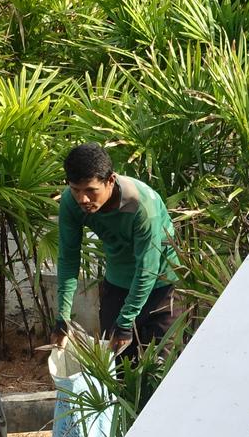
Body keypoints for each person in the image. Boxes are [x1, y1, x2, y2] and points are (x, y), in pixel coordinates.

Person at [52, 143, 178, 364]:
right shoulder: (71, 203)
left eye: (91, 190)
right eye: (75, 189)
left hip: (161, 287)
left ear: (110, 180)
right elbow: (68, 258)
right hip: (117, 284)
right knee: (117, 370)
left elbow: (147, 269)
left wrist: (126, 322)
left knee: (162, 371)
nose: (83, 199)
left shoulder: (141, 206)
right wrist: (62, 318)